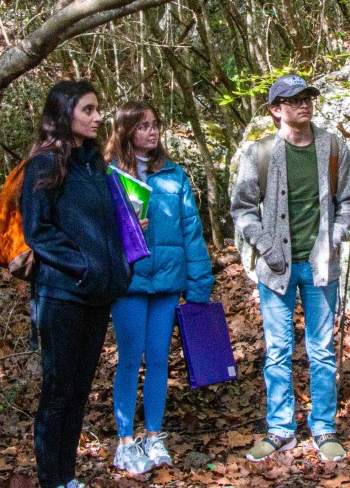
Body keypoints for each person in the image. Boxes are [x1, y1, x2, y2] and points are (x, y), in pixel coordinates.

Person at [231, 75, 350, 463]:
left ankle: (323, 427)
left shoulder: (333, 146)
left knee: (321, 351)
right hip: (276, 269)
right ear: (275, 109)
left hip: (321, 266)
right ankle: (280, 429)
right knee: (277, 351)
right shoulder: (260, 152)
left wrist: (334, 236)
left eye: (307, 97)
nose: (303, 104)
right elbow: (242, 208)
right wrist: (265, 245)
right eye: (293, 100)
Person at [22, 80, 133, 488]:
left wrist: (121, 252)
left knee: (80, 389)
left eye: (97, 109)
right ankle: (50, 480)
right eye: (88, 109)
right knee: (58, 390)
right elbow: (38, 230)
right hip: (62, 294)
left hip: (97, 295)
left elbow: (102, 226)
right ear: (64, 112)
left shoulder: (95, 165)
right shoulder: (45, 164)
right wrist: (82, 266)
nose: (97, 117)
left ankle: (66, 477)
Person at [104, 101, 215, 473]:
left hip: (167, 281)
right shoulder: (108, 175)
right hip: (130, 283)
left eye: (155, 124)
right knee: (129, 360)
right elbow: (95, 231)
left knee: (158, 361)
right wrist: (125, 230)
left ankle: (153, 437)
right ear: (125, 131)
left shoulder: (173, 174)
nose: (151, 132)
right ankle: (125, 443)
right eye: (142, 126)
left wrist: (199, 285)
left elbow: (191, 232)